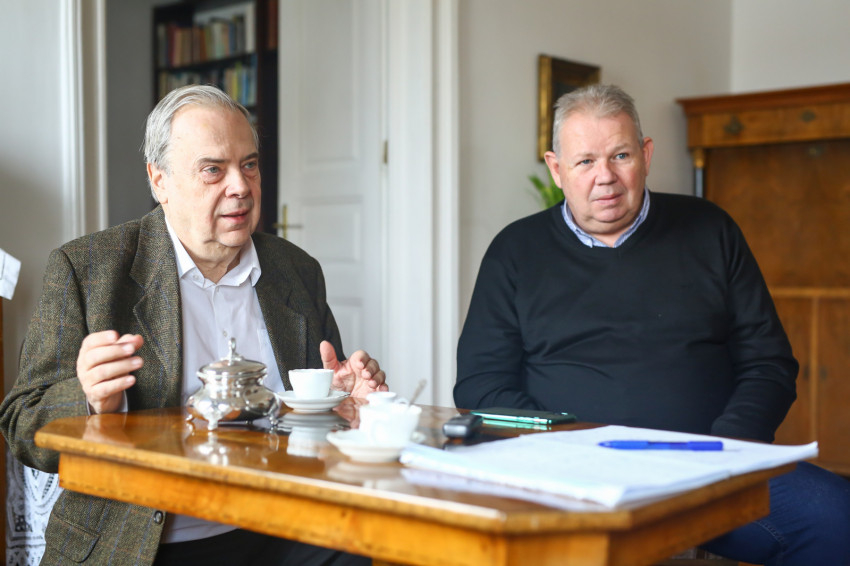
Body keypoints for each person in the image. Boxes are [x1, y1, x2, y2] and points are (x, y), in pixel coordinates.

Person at [454, 83, 850, 565]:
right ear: (556, 169)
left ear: (646, 155)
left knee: (837, 516)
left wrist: (727, 445)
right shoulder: (514, 251)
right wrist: (569, 447)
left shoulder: (711, 229)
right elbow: (481, 385)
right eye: (585, 161)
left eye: (620, 155)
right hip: (568, 470)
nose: (605, 177)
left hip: (706, 469)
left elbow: (768, 363)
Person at [0, 84, 387, 565]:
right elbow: (21, 426)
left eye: (249, 164)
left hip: (282, 521)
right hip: (149, 540)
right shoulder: (88, 270)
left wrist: (346, 405)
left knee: (365, 549)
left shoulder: (296, 270)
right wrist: (90, 399)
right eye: (213, 169)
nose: (240, 186)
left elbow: (317, 420)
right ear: (159, 180)